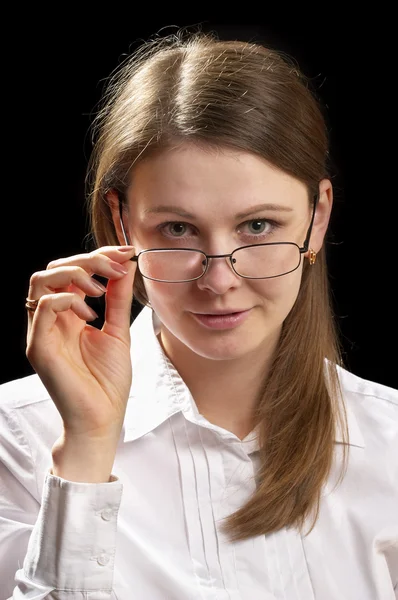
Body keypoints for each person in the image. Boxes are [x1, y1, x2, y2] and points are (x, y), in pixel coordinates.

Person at [0, 29, 397, 600]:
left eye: (258, 226)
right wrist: (86, 452)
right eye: (178, 229)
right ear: (122, 225)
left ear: (317, 219)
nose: (218, 280)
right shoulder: (19, 437)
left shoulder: (390, 442)